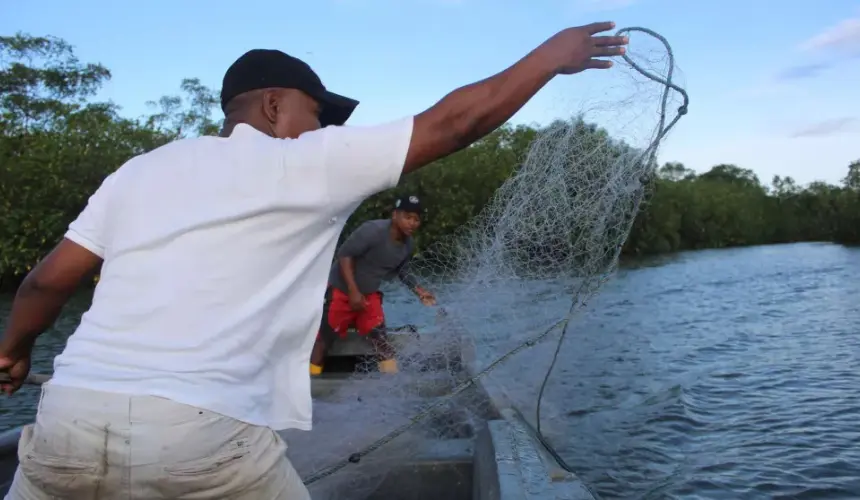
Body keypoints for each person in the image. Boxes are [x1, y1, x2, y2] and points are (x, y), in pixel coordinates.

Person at [0, 23, 628, 499]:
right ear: (274, 106)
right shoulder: (303, 161)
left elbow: (46, 282)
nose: (322, 127)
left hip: (63, 424)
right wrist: (551, 57)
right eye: (316, 112)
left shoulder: (140, 170)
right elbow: (456, 122)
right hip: (200, 439)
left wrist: (14, 353)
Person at [309, 195, 436, 376]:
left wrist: (419, 291)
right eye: (407, 217)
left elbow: (402, 271)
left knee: (381, 340)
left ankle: (390, 384)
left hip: (369, 296)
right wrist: (353, 291)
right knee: (324, 340)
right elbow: (344, 255)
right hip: (342, 291)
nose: (412, 223)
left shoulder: (408, 245)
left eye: (416, 219)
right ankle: (311, 382)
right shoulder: (372, 230)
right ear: (395, 215)